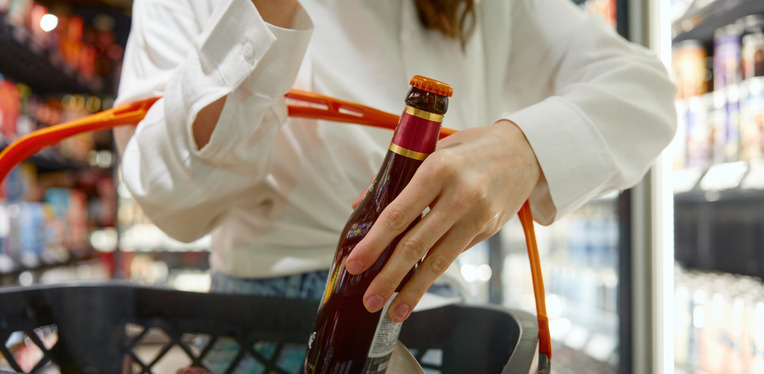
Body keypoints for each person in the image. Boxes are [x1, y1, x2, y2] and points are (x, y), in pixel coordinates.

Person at [114, 0, 677, 323]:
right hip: (264, 322)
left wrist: (525, 147)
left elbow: (642, 87)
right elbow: (168, 202)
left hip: (427, 316)